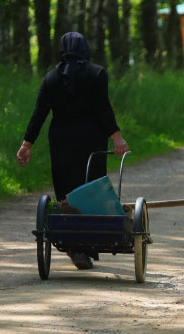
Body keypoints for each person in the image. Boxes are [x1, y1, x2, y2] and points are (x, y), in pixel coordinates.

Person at [17, 31, 128, 269]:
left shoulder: (50, 79)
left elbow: (39, 114)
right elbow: (103, 109)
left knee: (65, 191)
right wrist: (116, 137)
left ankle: (74, 245)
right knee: (89, 188)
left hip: (61, 140)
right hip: (91, 140)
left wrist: (27, 144)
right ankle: (88, 243)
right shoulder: (97, 74)